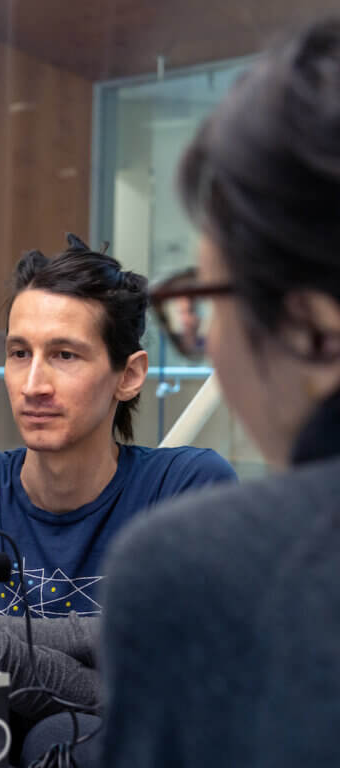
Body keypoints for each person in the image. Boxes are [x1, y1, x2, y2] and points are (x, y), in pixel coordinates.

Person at [0, 235, 236, 761]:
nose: (33, 384)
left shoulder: (184, 489)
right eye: (20, 353)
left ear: (128, 376)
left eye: (64, 355)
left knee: (64, 738)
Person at [100, 17, 340, 767]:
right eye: (17, 351)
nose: (35, 383)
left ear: (311, 325)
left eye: (204, 303)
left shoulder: (201, 563)